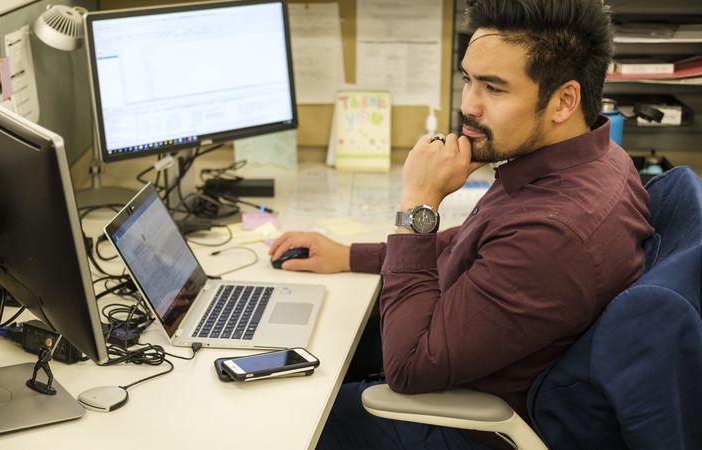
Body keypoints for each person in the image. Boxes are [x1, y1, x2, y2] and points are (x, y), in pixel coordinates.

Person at [269, 1, 654, 449]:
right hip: (466, 352)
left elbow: (409, 368)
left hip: (466, 425)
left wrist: (419, 202)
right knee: (318, 338)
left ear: (564, 100)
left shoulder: (556, 231)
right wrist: (350, 255)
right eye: (468, 79)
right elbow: (481, 244)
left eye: (493, 88)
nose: (468, 105)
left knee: (290, 406)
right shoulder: (598, 158)